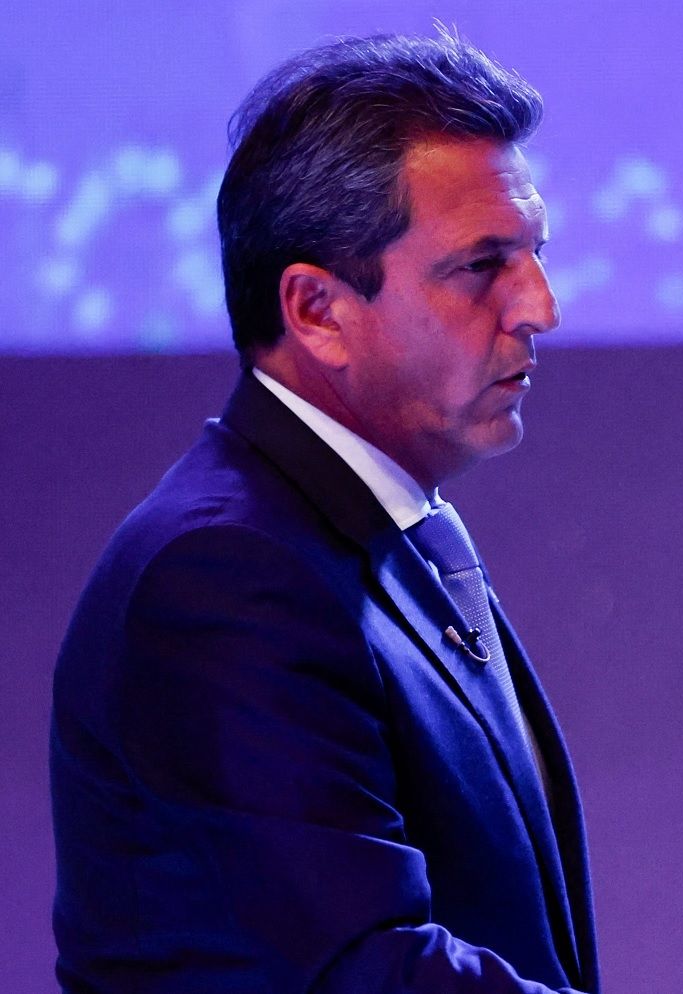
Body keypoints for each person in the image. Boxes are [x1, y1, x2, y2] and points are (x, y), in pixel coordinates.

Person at [50, 33, 598, 993]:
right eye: (482, 265)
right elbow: (366, 972)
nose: (539, 307)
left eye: (535, 254)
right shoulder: (222, 578)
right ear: (315, 310)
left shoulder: (384, 526)